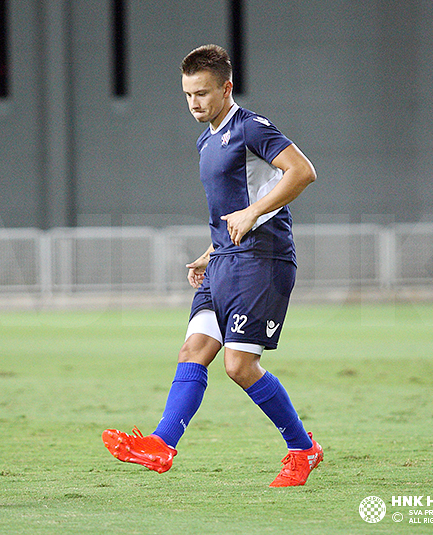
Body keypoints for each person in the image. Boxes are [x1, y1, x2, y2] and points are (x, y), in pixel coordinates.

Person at [102, 45, 321, 487]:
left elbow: (302, 171)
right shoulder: (206, 139)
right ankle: (162, 445)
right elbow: (231, 208)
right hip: (225, 259)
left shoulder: (252, 128)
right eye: (187, 95)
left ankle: (303, 450)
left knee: (239, 367)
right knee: (193, 352)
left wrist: (253, 214)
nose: (194, 103)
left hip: (263, 259)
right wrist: (210, 250)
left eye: (202, 93)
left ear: (227, 87)